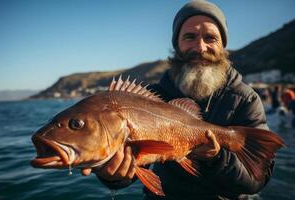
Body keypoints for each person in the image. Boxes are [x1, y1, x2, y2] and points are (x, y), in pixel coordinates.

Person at [81, 1, 275, 199]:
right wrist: (112, 176)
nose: (200, 47)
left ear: (223, 46)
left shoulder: (246, 99)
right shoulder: (151, 96)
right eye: (190, 37)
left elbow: (255, 181)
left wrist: (216, 158)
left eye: (210, 38)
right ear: (177, 45)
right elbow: (132, 172)